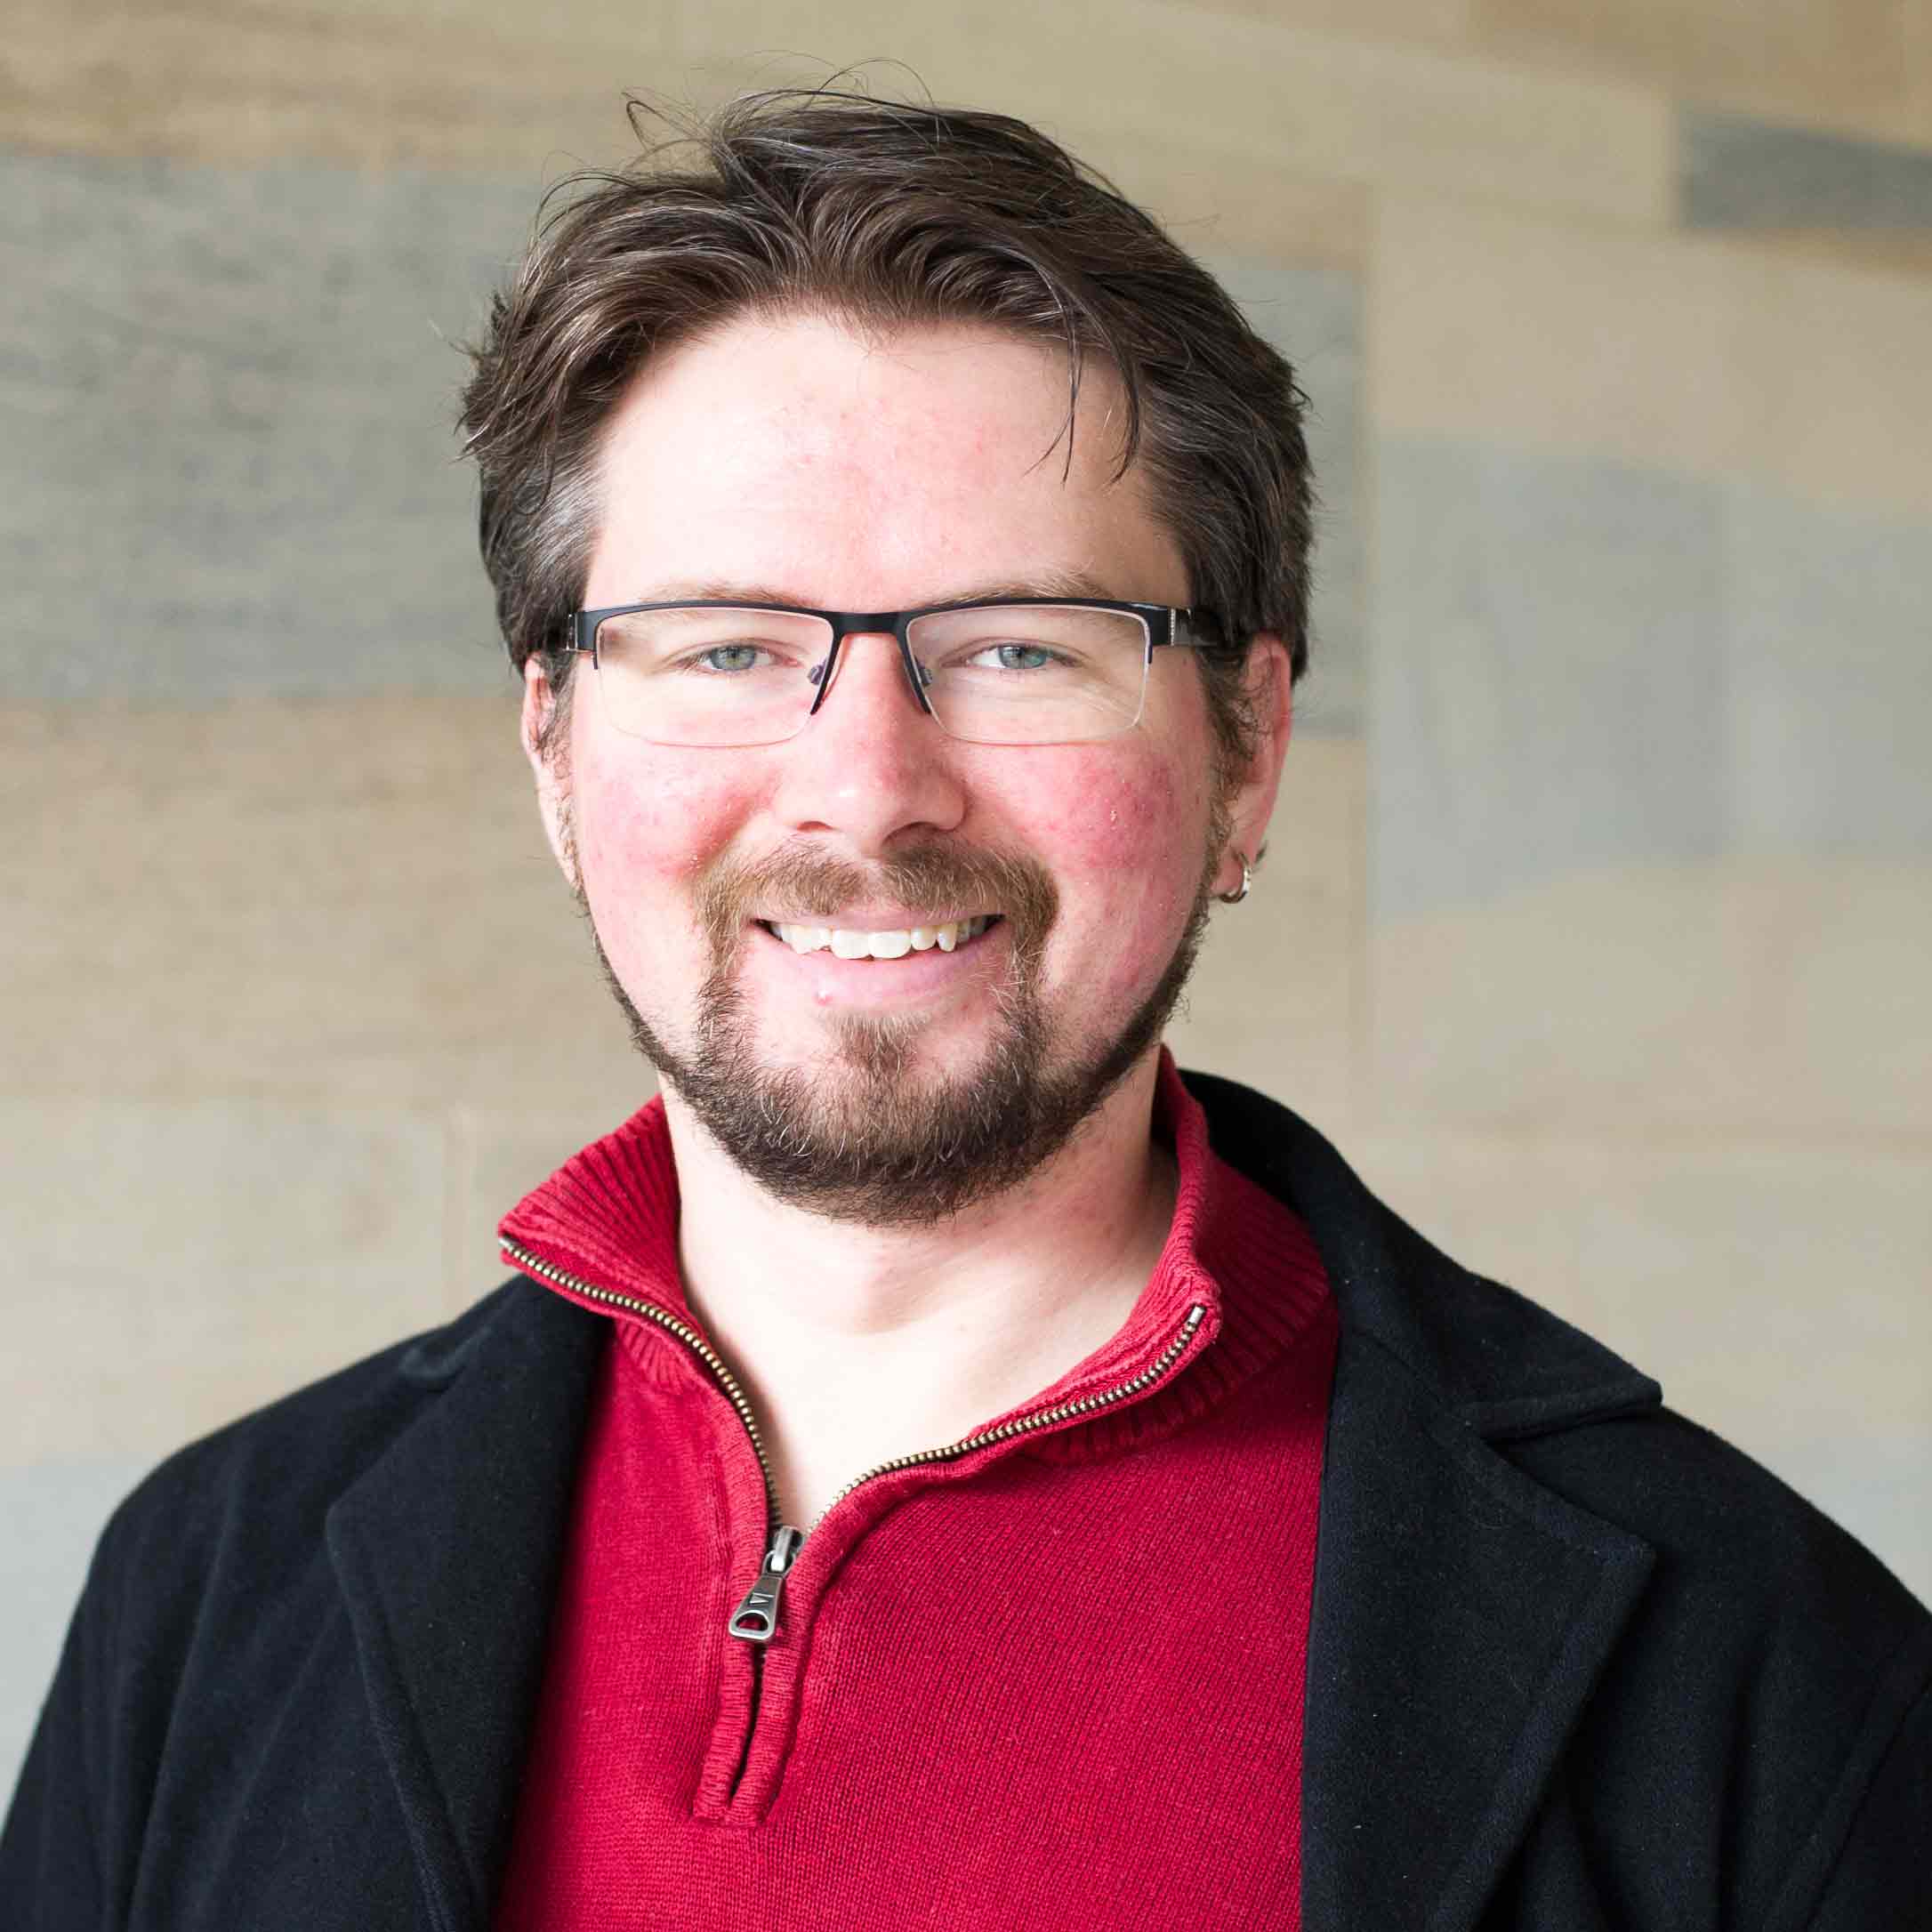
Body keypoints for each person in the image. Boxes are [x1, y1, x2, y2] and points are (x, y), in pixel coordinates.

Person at [4, 89, 1928, 1932]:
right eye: (731, 646)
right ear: (553, 751)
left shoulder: (1767, 1675)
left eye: (1020, 646)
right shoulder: (207, 1587)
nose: (868, 789)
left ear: (1248, 751)